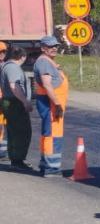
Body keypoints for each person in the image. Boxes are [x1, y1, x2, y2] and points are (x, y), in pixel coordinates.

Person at [33, 34, 69, 177]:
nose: (53, 48)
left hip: (52, 105)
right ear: (43, 48)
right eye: (50, 46)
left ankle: (45, 165)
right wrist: (57, 104)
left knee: (49, 135)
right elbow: (47, 85)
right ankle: (51, 169)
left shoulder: (48, 61)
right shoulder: (44, 62)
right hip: (51, 105)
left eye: (55, 46)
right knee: (52, 136)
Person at [1, 44, 33, 169]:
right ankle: (17, 160)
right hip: (15, 103)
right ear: (23, 57)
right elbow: (15, 86)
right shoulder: (13, 68)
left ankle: (15, 159)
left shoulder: (7, 66)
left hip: (11, 102)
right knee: (22, 132)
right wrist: (25, 101)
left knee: (14, 131)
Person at [0, 41, 7, 163]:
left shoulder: (5, 65)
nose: (1, 54)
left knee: (4, 123)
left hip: (5, 99)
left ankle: (2, 150)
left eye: (3, 52)